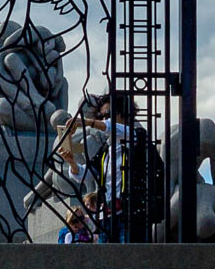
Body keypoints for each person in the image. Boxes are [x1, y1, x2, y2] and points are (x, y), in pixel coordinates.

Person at [58, 92, 163, 242]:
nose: (104, 120)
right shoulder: (106, 149)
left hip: (132, 215)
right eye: (100, 116)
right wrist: (72, 163)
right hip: (107, 217)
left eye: (108, 114)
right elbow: (87, 174)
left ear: (124, 113)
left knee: (129, 258)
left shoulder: (137, 135)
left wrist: (88, 122)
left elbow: (119, 130)